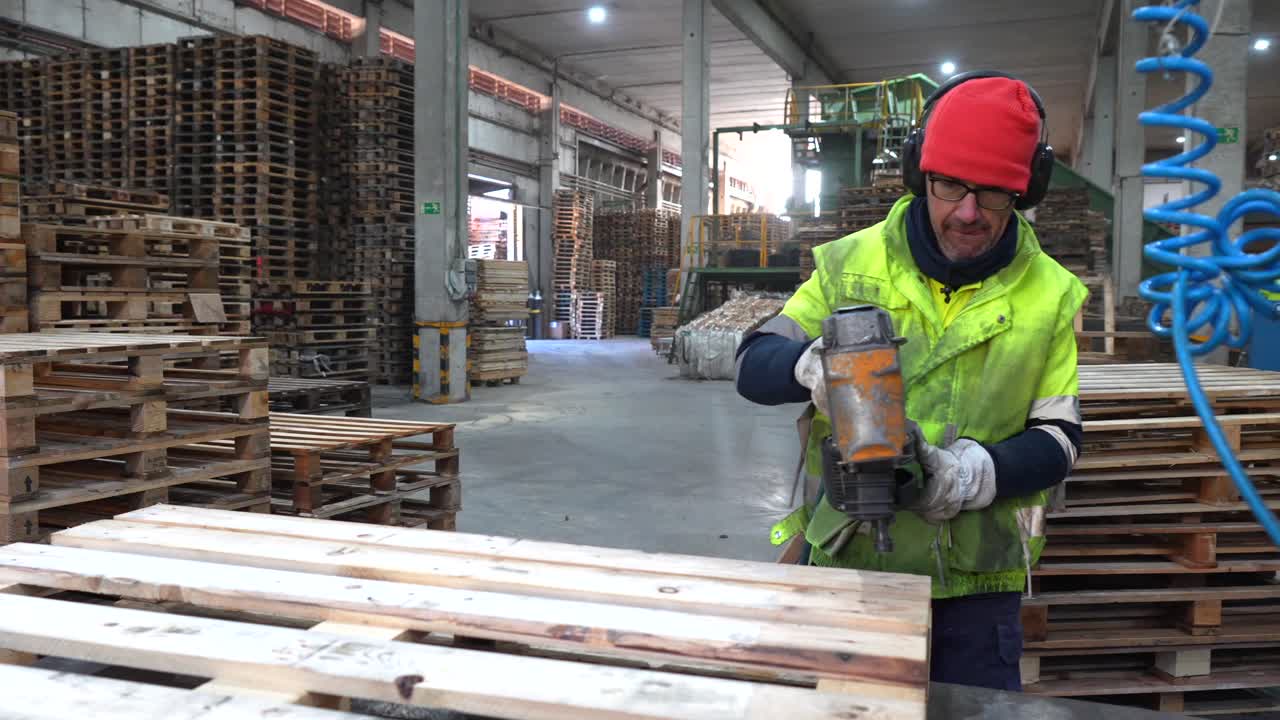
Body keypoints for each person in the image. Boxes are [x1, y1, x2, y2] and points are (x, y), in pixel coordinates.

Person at [734, 72, 1087, 691]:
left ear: (1027, 189)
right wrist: (808, 365)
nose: (969, 212)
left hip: (978, 588)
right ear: (919, 171)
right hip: (849, 562)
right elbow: (751, 366)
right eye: (950, 185)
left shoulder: (1051, 295)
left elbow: (1058, 440)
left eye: (995, 193)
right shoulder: (850, 263)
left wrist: (965, 475)